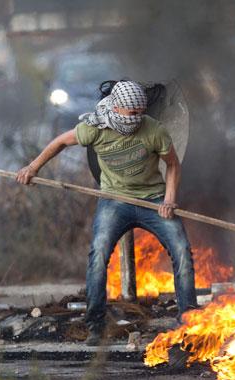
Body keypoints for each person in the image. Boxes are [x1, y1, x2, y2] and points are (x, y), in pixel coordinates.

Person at [16, 80, 196, 345]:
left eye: (140, 113)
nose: (136, 118)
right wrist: (33, 168)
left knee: (181, 251)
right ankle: (95, 325)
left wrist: (169, 199)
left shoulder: (153, 129)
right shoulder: (95, 128)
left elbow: (172, 165)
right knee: (99, 254)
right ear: (116, 108)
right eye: (131, 113)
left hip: (152, 199)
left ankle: (188, 324)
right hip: (113, 201)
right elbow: (59, 143)